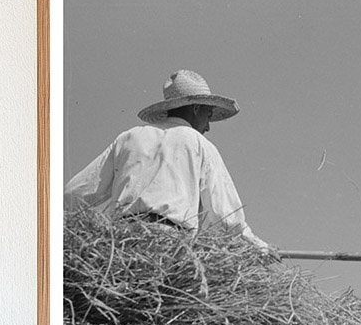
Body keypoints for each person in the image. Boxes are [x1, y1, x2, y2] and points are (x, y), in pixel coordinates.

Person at [64, 69, 273, 254]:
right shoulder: (199, 144)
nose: (208, 126)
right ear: (196, 109)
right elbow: (227, 217)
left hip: (120, 247)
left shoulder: (129, 137)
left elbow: (75, 193)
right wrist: (259, 247)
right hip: (169, 246)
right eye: (208, 115)